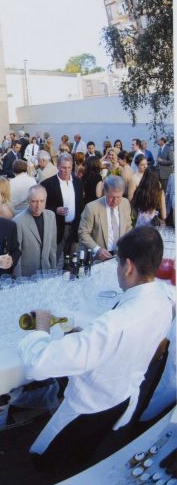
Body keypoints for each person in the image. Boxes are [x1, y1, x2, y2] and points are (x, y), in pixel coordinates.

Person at [18, 226, 174, 469]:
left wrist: (41, 328)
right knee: (85, 453)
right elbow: (128, 342)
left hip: (89, 406)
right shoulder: (164, 302)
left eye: (117, 263)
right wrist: (86, 337)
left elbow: (36, 365)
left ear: (128, 266)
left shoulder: (112, 327)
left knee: (50, 461)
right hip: (122, 396)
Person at [78, 175, 132, 261]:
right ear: (105, 192)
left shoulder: (125, 203)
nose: (115, 201)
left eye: (118, 197)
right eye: (112, 197)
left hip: (120, 255)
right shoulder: (91, 208)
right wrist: (97, 249)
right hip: (98, 257)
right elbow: (83, 233)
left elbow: (128, 227)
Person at [42, 153, 83, 264]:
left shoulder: (78, 182)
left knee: (72, 260)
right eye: (63, 167)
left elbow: (80, 204)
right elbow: (41, 206)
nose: (66, 170)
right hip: (57, 228)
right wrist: (55, 210)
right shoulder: (47, 184)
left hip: (74, 227)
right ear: (58, 167)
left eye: (69, 168)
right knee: (53, 259)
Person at [13, 185, 57, 277]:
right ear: (28, 201)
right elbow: (16, 254)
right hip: (27, 275)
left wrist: (54, 271)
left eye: (42, 201)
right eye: (34, 201)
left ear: (46, 200)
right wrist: (18, 279)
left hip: (46, 272)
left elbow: (52, 247)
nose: (38, 205)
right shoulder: (18, 221)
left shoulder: (51, 215)